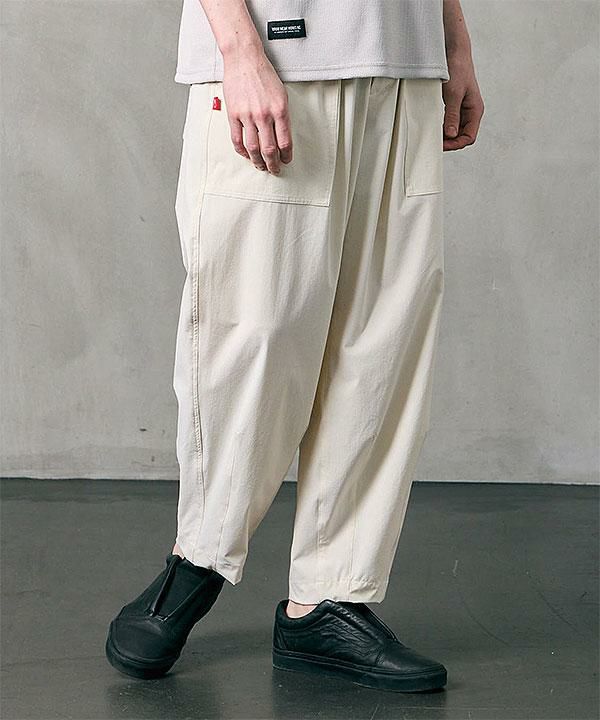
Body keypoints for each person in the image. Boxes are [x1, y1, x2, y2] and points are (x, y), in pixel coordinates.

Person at [105, 0, 484, 692]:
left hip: (404, 60)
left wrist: (452, 39)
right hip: (277, 56)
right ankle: (198, 555)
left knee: (382, 345)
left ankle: (330, 598)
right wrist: (239, 51)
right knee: (254, 331)